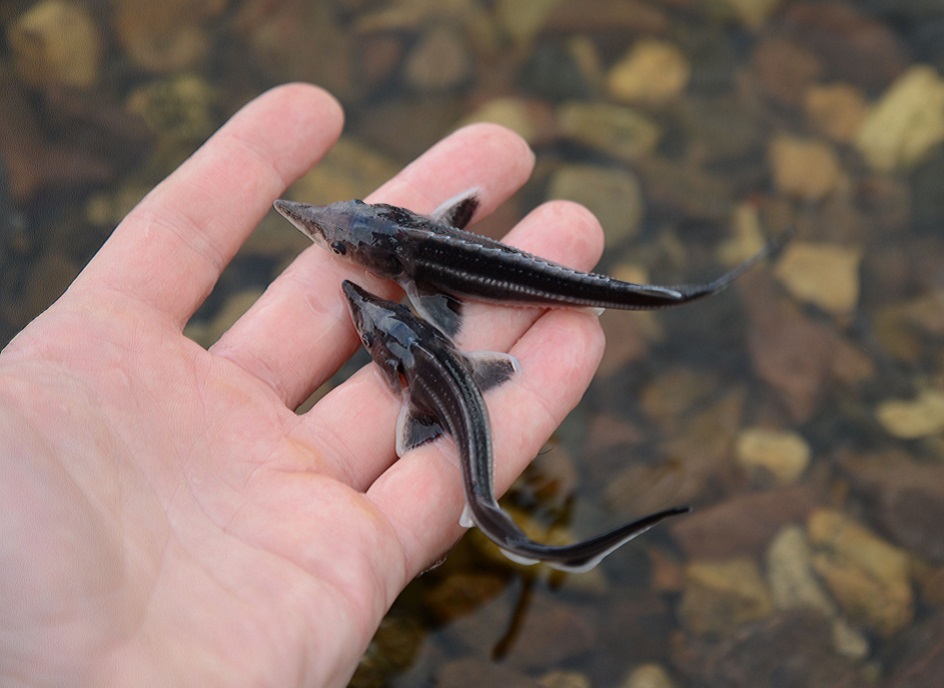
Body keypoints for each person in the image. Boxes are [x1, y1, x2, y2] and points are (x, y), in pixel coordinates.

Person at [0, 84, 606, 686]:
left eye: (337, 242)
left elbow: (436, 326)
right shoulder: (420, 318)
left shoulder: (423, 322)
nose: (319, 232)